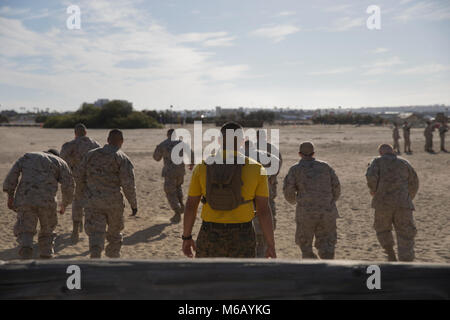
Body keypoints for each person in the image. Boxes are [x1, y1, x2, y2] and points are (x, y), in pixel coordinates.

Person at [182, 122, 276, 259]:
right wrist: (270, 244)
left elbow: (191, 206)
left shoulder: (202, 167)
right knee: (240, 279)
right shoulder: (257, 169)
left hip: (210, 233)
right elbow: (263, 210)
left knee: (207, 278)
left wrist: (186, 237)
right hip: (243, 235)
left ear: (219, 141)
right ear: (242, 142)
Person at [2, 149, 74, 259]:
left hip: (26, 200)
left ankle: (26, 253)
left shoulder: (27, 157)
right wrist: (65, 204)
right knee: (47, 231)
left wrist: (10, 196)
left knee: (26, 230)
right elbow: (69, 185)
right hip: (47, 202)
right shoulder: (60, 162)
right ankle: (46, 256)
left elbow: (12, 176)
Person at [77, 129, 137, 258]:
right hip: (113, 203)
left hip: (93, 201)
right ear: (121, 142)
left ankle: (95, 256)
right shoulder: (122, 158)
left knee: (95, 234)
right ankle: (113, 262)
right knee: (114, 235)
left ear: (108, 140)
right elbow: (128, 185)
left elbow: (79, 177)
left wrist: (81, 196)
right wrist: (133, 204)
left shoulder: (90, 155)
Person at [283, 142, 341, 260]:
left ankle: (312, 266)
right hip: (327, 211)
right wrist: (329, 201)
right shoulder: (325, 167)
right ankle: (327, 269)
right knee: (327, 246)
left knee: (305, 246)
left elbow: (288, 191)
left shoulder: (295, 169)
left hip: (306, 212)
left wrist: (295, 201)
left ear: (299, 154)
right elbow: (336, 187)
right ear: (314, 153)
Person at [365, 144, 419, 262]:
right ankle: (406, 262)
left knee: (383, 230)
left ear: (380, 153)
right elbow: (414, 182)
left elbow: (370, 177)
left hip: (382, 204)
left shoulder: (377, 161)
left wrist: (374, 192)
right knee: (406, 233)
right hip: (403, 204)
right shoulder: (404, 163)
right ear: (393, 151)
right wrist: (408, 197)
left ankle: (390, 252)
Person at [60, 123, 100, 243]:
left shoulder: (69, 145)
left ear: (75, 133)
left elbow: (61, 162)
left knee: (77, 202)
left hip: (76, 177)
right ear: (86, 133)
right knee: (90, 203)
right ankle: (90, 229)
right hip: (92, 178)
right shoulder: (95, 145)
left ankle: (76, 230)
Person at [244, 141, 281, 257]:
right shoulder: (263, 154)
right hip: (264, 199)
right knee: (263, 240)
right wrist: (272, 176)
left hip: (246, 202)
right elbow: (277, 161)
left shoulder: (240, 155)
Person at [153, 128, 194, 223]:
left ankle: (177, 211)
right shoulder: (182, 143)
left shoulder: (163, 144)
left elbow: (156, 158)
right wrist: (191, 164)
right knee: (178, 187)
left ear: (167, 135)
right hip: (180, 171)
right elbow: (191, 154)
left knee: (170, 192)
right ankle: (181, 204)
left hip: (169, 172)